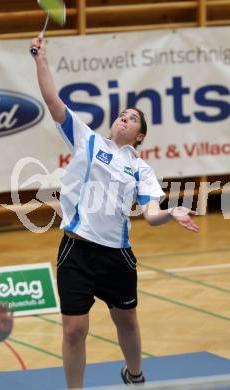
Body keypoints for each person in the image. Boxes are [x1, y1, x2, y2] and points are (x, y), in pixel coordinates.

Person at [30, 37, 199, 389]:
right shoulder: (87, 140)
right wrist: (40, 59)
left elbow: (151, 215)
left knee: (127, 322)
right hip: (76, 250)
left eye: (132, 119)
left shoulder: (141, 170)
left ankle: (134, 374)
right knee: (75, 331)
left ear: (139, 136)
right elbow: (52, 100)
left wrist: (171, 213)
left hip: (116, 257)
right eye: (123, 114)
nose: (124, 118)